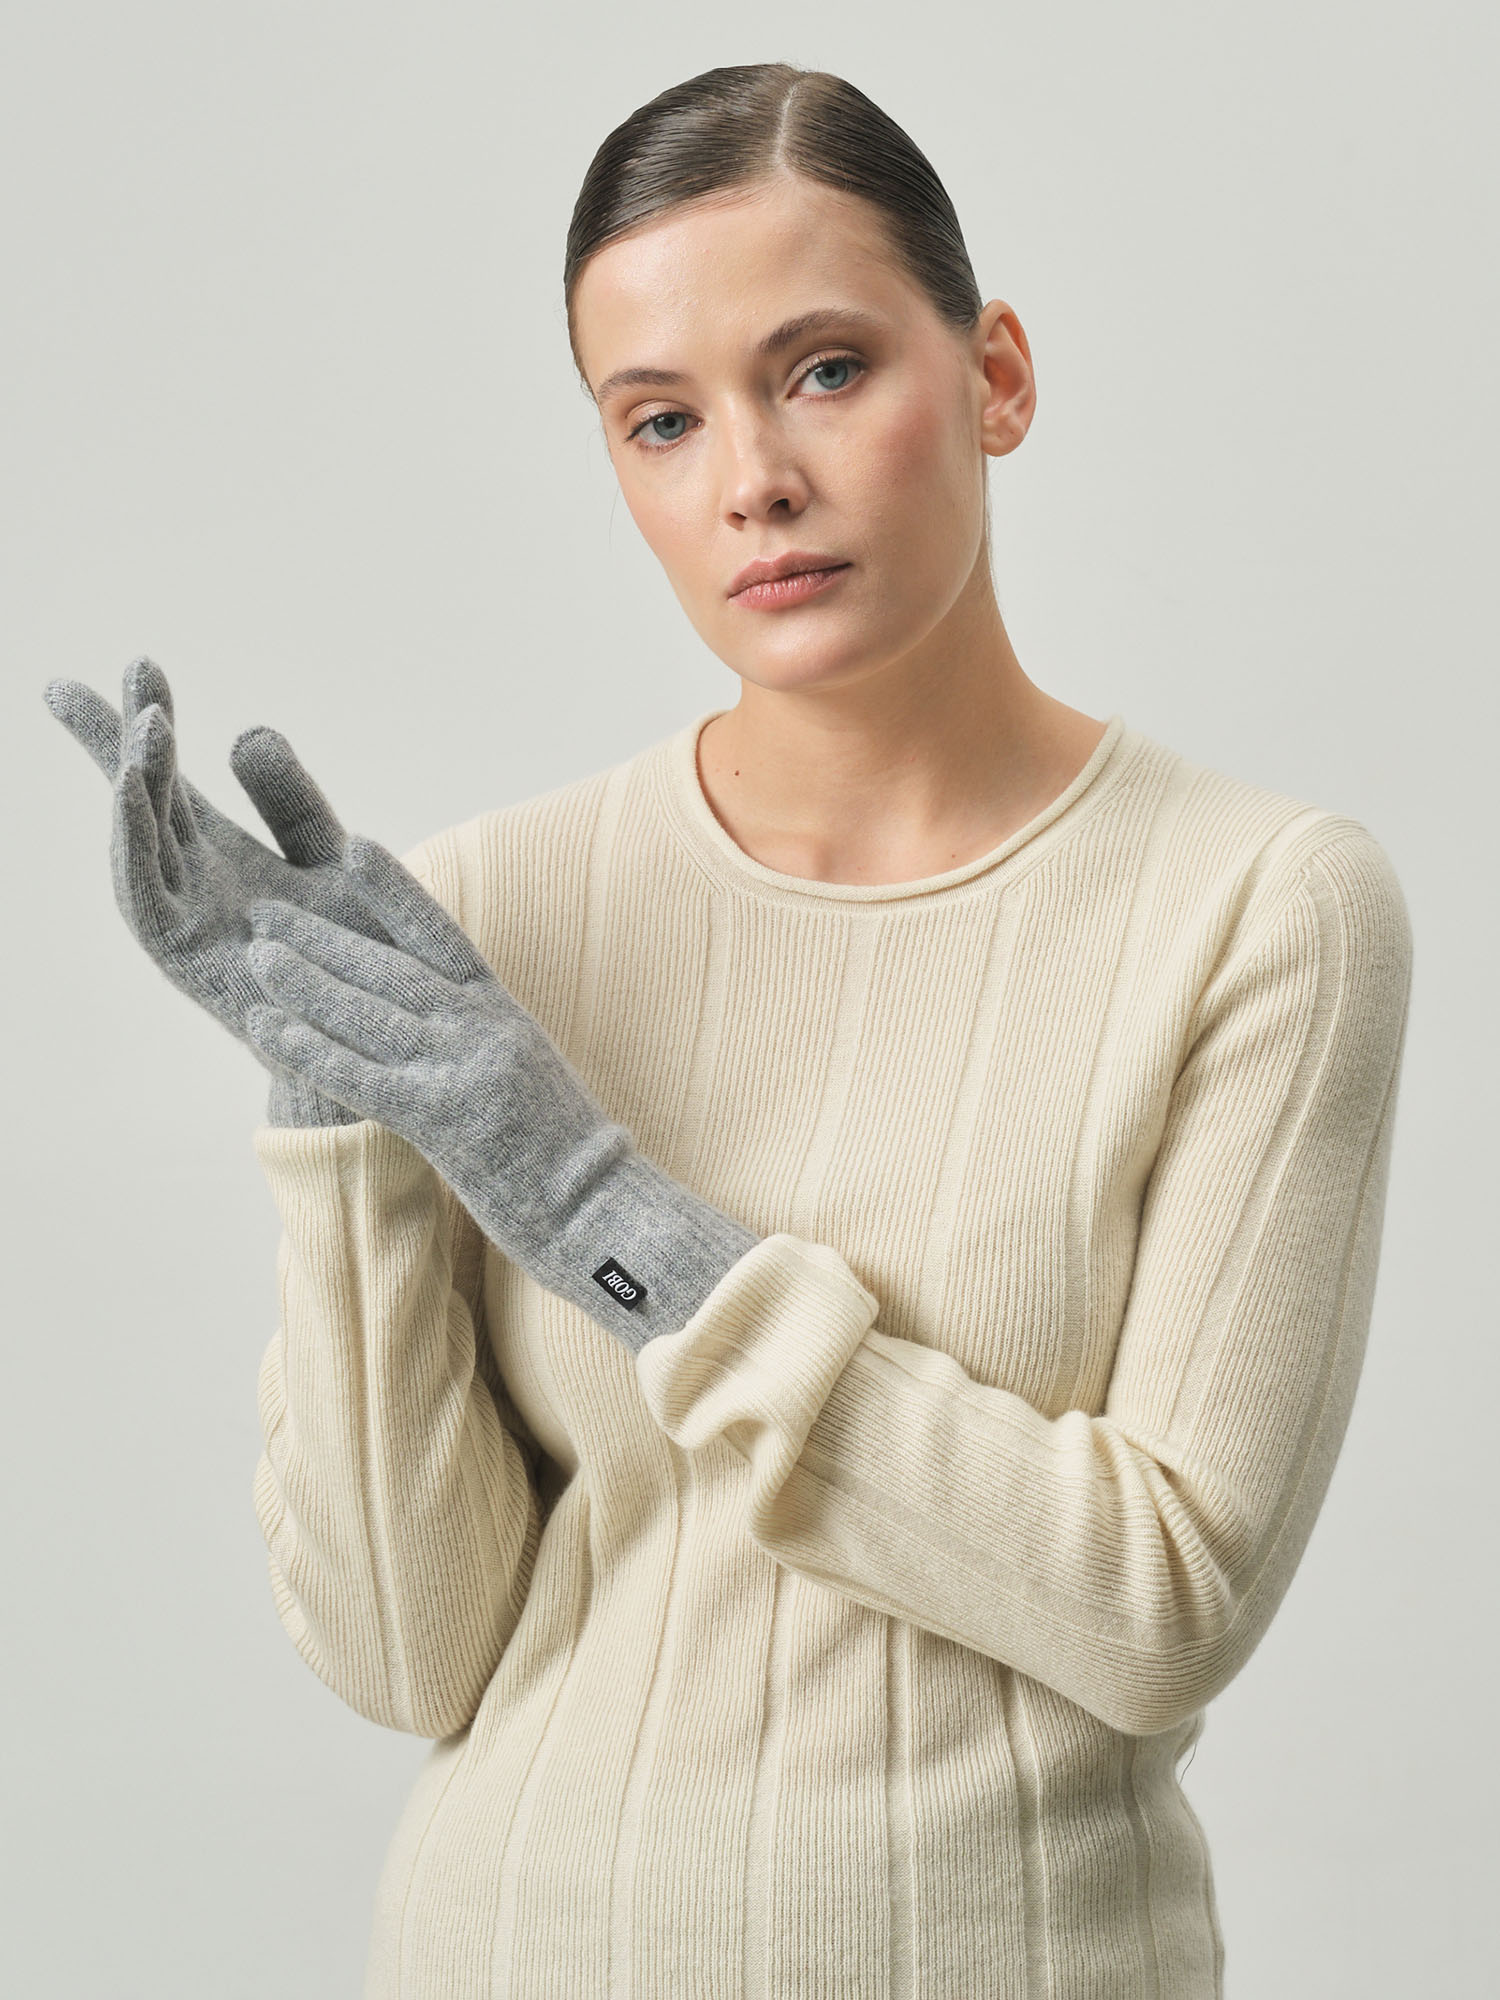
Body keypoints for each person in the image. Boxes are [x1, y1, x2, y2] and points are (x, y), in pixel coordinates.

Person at [44, 60, 1414, 2000]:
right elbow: (408, 1656)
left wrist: (595, 1208)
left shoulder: (1259, 904)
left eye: (825, 370)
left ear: (997, 375)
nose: (751, 477)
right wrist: (342, 1128)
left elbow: (1162, 1605)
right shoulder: (489, 914)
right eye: (663, 420)